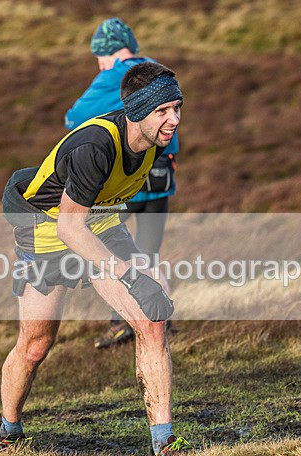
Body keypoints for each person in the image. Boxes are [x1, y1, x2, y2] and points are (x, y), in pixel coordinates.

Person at [0, 62, 191, 456]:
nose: (174, 119)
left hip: (100, 224)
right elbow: (70, 229)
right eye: (163, 111)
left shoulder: (154, 141)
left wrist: (144, 272)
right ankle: (7, 433)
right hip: (47, 230)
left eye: (177, 108)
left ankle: (165, 441)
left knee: (152, 322)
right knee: (35, 345)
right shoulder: (94, 147)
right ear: (137, 111)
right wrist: (131, 276)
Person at [66, 17, 179, 349]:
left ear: (109, 52)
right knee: (149, 255)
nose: (99, 64)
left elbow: (73, 118)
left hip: (127, 181)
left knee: (108, 251)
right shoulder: (155, 72)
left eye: (99, 57)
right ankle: (162, 325)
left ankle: (121, 324)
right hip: (161, 180)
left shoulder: (111, 76)